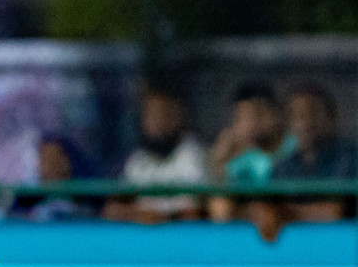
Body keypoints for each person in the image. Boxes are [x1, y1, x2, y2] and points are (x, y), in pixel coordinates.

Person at [246, 83, 356, 242]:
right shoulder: (285, 164)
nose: (306, 122)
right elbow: (263, 206)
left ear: (331, 118)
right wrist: (266, 211)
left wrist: (285, 213)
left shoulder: (348, 159)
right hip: (297, 253)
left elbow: (334, 212)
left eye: (313, 112)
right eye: (297, 115)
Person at [103, 87, 205, 224]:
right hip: (141, 240)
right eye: (152, 115)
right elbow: (112, 210)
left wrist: (158, 217)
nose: (158, 122)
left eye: (164, 114)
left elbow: (192, 212)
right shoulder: (137, 161)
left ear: (179, 117)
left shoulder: (194, 155)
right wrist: (141, 214)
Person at [207, 83, 293, 223]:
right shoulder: (237, 156)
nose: (252, 124)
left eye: (258, 114)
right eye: (243, 117)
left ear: (277, 114)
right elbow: (220, 209)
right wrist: (219, 161)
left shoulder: (293, 146)